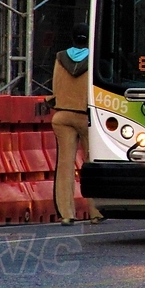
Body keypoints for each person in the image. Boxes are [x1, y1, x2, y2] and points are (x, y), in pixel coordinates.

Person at [48, 22, 104, 226]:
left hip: (62, 116)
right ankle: (96, 211)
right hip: (87, 116)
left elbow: (55, 86)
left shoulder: (60, 57)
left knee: (64, 165)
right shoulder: (95, 58)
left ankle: (66, 213)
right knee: (92, 162)